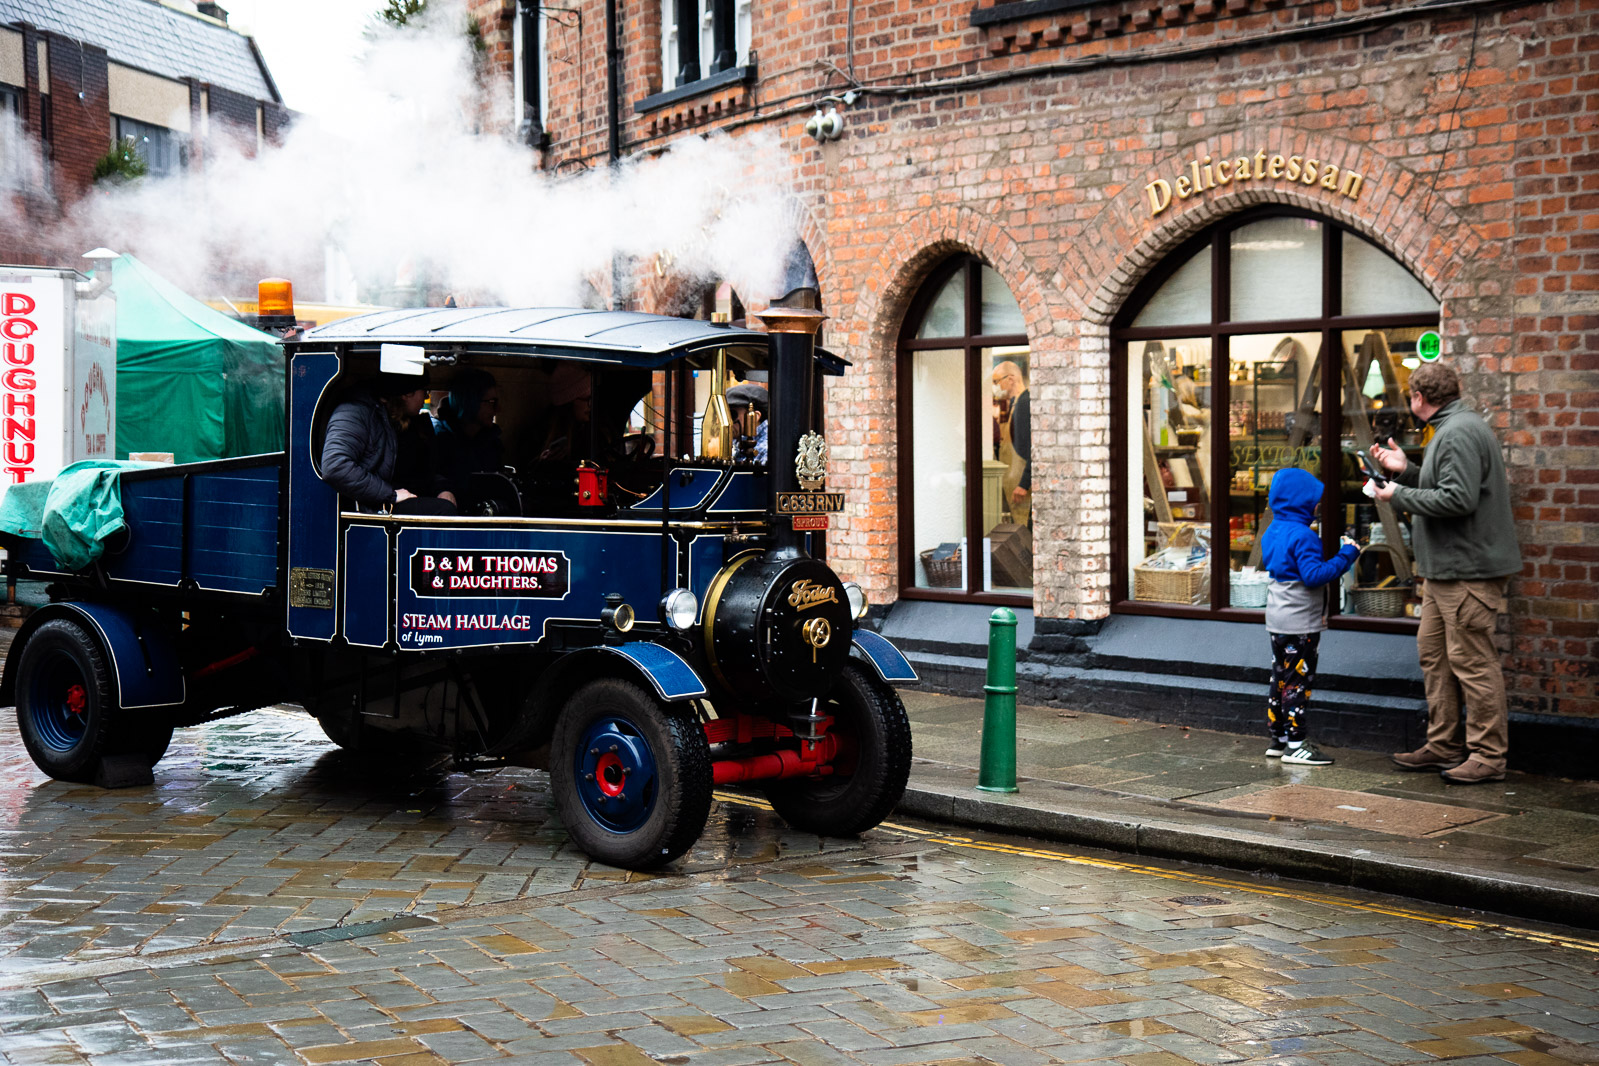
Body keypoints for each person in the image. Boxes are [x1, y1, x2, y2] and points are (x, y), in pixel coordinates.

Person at [1371, 362, 1520, 784]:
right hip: (1446, 572)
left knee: (1472, 662)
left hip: (1467, 571)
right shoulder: (1454, 427)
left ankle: (1488, 757)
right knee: (1435, 656)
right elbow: (1445, 487)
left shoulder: (1456, 432)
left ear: (1419, 398)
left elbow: (1457, 500)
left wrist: (1397, 492)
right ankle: (1444, 745)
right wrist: (1407, 470)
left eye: (1411, 396)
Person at [1259, 466, 1359, 766]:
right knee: (1298, 683)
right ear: (1301, 502)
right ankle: (1297, 745)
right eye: (1314, 500)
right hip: (1300, 622)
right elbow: (1314, 576)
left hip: (1277, 619)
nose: (1317, 505)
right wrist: (1347, 555)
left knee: (1280, 679)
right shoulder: (1303, 536)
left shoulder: (1272, 530)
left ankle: (1277, 739)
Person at [321, 373, 456, 515]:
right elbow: (335, 466)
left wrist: (442, 488)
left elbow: (422, 472)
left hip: (404, 496)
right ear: (407, 394)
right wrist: (391, 494)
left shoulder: (412, 422)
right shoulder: (356, 411)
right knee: (444, 510)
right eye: (424, 391)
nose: (425, 398)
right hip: (376, 505)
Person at [433, 369, 504, 495]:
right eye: (492, 402)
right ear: (471, 402)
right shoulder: (438, 438)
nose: (498, 409)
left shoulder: (493, 443)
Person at [991, 360, 1030, 522]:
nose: (995, 387)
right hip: (1015, 488)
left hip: (1023, 491)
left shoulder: (1024, 404)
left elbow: (1032, 449)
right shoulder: (1014, 405)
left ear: (1011, 379)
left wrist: (1024, 483)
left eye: (996, 382)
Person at [726, 382, 768, 464]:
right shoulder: (739, 444)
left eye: (732, 414)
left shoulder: (765, 449)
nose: (727, 422)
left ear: (755, 417)